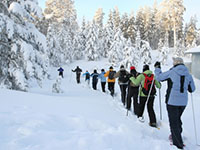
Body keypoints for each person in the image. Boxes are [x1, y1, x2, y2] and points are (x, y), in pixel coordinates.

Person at [154, 57, 195, 149]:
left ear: (175, 64)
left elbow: (159, 77)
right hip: (183, 102)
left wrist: (157, 68)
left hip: (172, 101)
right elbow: (192, 89)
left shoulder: (172, 72)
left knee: (174, 122)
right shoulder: (188, 74)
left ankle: (177, 143)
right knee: (177, 119)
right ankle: (176, 136)